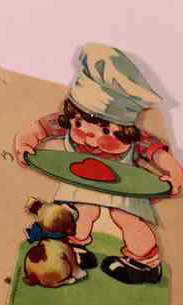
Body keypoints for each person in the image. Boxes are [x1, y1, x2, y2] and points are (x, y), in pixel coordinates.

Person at [15, 43, 183, 284]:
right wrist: (26, 142)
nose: (88, 134)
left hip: (125, 187)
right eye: (78, 123)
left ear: (125, 129)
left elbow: (159, 155)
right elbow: (39, 128)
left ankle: (145, 263)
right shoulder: (66, 123)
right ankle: (76, 246)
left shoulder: (137, 140)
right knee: (80, 211)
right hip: (79, 181)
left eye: (104, 130)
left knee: (127, 218)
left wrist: (175, 172)